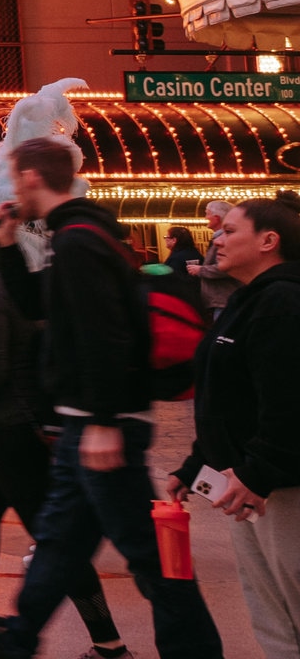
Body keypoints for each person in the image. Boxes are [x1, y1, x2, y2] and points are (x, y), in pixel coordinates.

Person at [0, 136, 225, 659]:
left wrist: (103, 419)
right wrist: (9, 245)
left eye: (17, 179)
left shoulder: (81, 240)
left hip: (102, 425)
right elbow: (39, 303)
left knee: (147, 558)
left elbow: (101, 335)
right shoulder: (76, 236)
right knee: (59, 545)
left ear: (33, 179)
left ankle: (194, 651)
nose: (14, 189)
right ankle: (18, 642)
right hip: (82, 423)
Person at [0, 204, 128, 658]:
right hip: (8, 428)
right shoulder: (9, 285)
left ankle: (111, 645)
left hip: (10, 428)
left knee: (56, 543)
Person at [168, 198, 299, 659]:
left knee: (292, 604)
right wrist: (194, 465)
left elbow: (287, 401)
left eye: (229, 231)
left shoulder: (283, 302)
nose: (216, 240)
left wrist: (258, 473)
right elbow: (224, 397)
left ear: (269, 241)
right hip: (244, 482)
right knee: (270, 613)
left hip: (280, 488)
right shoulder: (248, 300)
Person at [189, 200, 239, 315]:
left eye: (207, 213)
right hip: (221, 300)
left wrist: (201, 270)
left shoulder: (225, 239)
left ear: (216, 218)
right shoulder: (224, 237)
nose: (205, 217)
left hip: (223, 300)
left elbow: (228, 266)